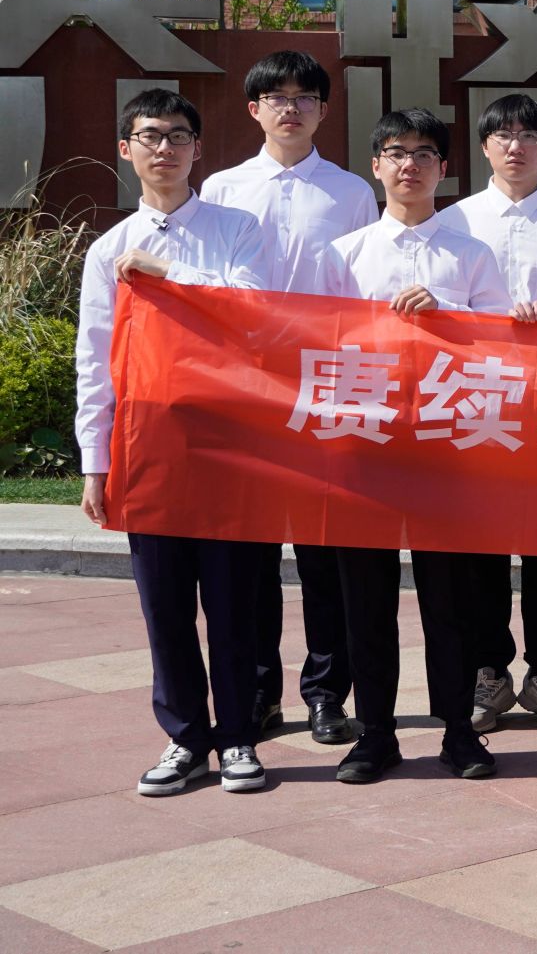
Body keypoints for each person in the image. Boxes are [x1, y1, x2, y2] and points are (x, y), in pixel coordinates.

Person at [80, 89, 272, 796]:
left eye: (179, 136)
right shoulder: (108, 250)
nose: (165, 148)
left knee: (233, 604)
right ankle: (186, 736)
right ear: (125, 149)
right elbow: (94, 361)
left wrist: (167, 275)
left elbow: (251, 310)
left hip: (229, 447)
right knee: (164, 607)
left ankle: (240, 736)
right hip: (147, 449)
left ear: (198, 149)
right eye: (150, 136)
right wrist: (95, 462)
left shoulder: (237, 228)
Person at [317, 109, 516, 784]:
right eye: (397, 152)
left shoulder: (471, 255)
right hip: (364, 449)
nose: (410, 165)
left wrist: (450, 318)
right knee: (366, 600)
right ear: (376, 165)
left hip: (447, 447)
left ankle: (459, 730)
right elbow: (317, 345)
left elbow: (503, 347)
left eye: (424, 153)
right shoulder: (343, 256)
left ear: (444, 168)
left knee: (451, 601)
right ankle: (375, 733)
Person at [200, 50, 375, 747]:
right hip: (244, 387)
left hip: (324, 385)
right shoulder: (220, 188)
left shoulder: (351, 192)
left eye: (306, 97)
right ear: (254, 108)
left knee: (324, 554)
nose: (291, 107)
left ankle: (327, 694)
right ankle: (259, 691)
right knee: (250, 556)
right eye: (277, 96)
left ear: (324, 110)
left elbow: (360, 291)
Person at [442, 93, 537, 734]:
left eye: (530, 135)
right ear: (484, 146)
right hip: (477, 404)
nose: (516, 146)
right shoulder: (455, 221)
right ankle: (489, 674)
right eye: (503, 134)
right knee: (482, 553)